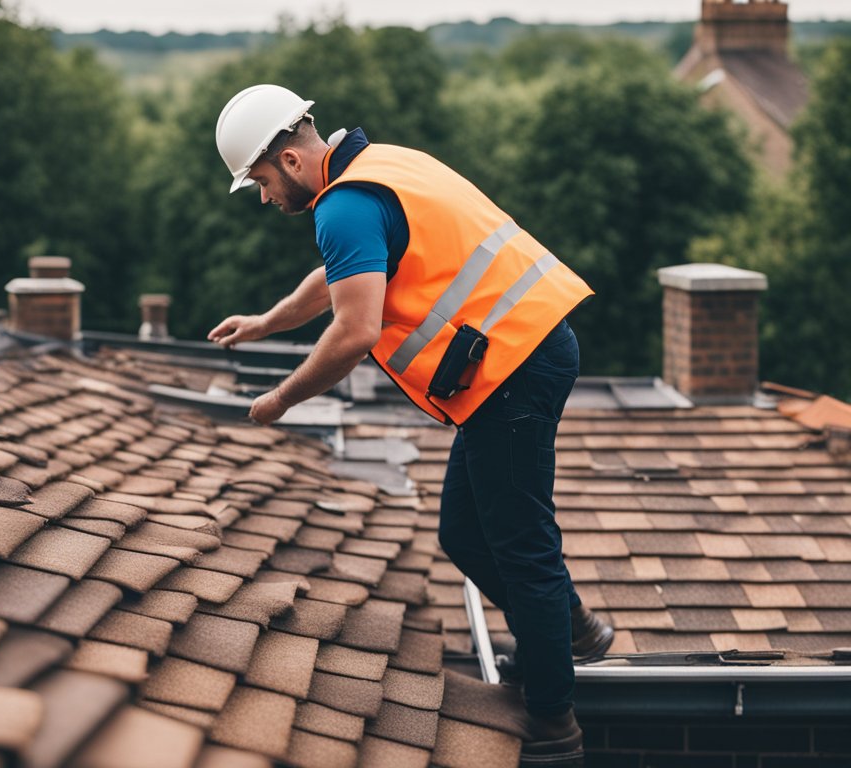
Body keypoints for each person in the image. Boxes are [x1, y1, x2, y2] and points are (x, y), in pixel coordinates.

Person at [208, 84, 614, 767]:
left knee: (522, 547)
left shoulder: (344, 205)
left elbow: (355, 330)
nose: (263, 196)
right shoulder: (379, 168)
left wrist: (281, 399)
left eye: (260, 179)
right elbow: (344, 274)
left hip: (514, 370)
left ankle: (554, 720)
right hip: (523, 354)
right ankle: (567, 629)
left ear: (291, 160)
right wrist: (268, 322)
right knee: (463, 531)